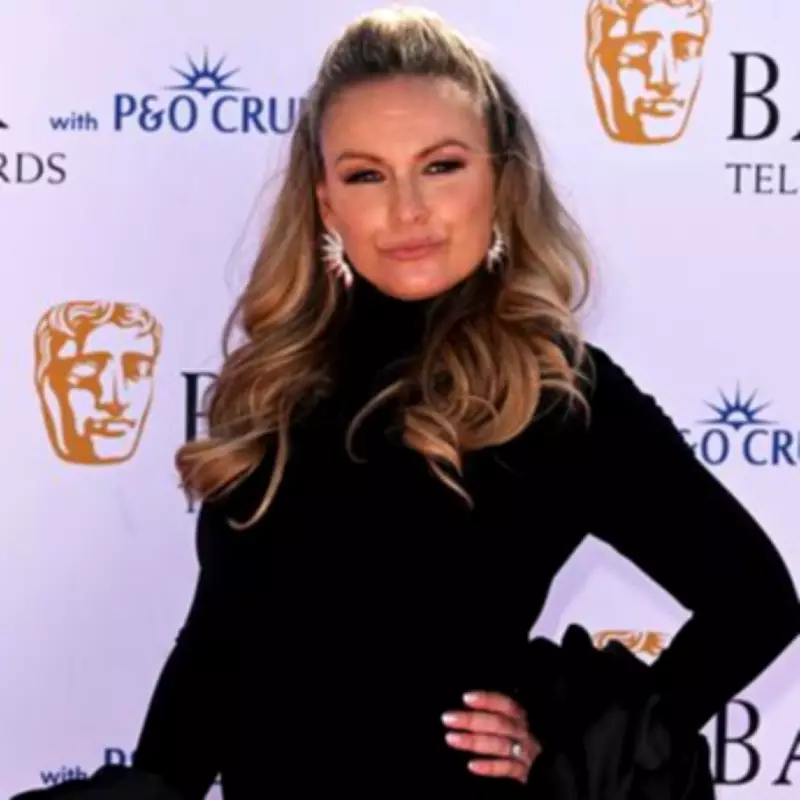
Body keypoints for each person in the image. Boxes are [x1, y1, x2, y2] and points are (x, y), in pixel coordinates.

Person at [125, 7, 799, 799]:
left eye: (441, 166)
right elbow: (217, 646)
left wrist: (579, 751)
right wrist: (150, 790)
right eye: (366, 175)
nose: (407, 209)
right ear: (326, 201)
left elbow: (755, 602)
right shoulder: (275, 382)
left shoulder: (552, 393)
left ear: (502, 180)